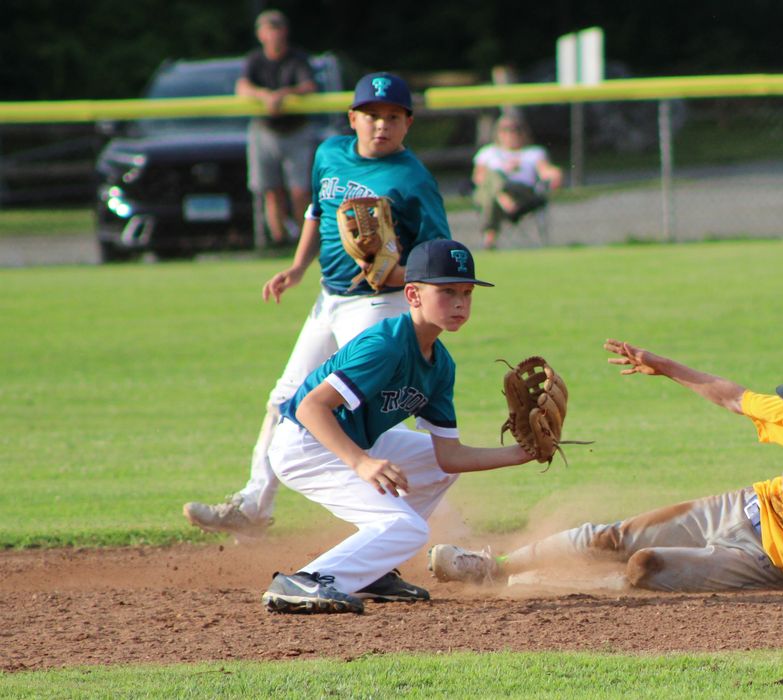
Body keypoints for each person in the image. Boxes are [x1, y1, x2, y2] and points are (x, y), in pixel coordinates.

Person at [429, 341, 783, 594]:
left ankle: (544, 584)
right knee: (610, 536)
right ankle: (492, 567)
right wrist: (664, 367)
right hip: (739, 507)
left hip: (764, 564)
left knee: (644, 566)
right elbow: (734, 398)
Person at [183, 72, 452, 540]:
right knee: (283, 399)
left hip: (378, 305)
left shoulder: (413, 180)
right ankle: (253, 505)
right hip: (328, 299)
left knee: (366, 404)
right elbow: (316, 215)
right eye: (371, 115)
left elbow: (439, 263)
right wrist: (297, 268)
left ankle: (394, 512)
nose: (380, 125)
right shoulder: (329, 153)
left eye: (392, 117)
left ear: (408, 124)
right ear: (353, 118)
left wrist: (396, 273)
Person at [261, 239, 536, 613]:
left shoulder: (441, 365)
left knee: (435, 469)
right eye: (447, 291)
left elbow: (448, 457)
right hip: (305, 444)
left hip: (352, 439)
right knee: (408, 528)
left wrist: (520, 454)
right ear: (413, 294)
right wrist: (360, 463)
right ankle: (308, 580)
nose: (459, 302)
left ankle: (371, 569)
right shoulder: (386, 346)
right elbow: (310, 408)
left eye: (467, 293)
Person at [236, 9, 319, 247]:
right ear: (260, 34)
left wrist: (283, 95)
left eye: (277, 28)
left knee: (299, 190)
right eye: (268, 29)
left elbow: (309, 86)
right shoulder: (255, 60)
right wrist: (263, 95)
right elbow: (242, 87)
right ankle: (278, 240)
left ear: (285, 31)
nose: (273, 35)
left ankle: (306, 241)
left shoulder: (297, 59)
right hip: (265, 130)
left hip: (296, 130)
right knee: (270, 190)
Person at [471, 115, 563, 250]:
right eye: (504, 130)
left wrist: (556, 174)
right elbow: (478, 178)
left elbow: (545, 171)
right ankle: (501, 196)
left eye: (515, 130)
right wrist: (504, 172)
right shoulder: (488, 153)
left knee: (490, 193)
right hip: (491, 193)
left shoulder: (533, 153)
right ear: (498, 133)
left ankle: (489, 239)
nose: (510, 134)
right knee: (492, 178)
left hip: (521, 192)